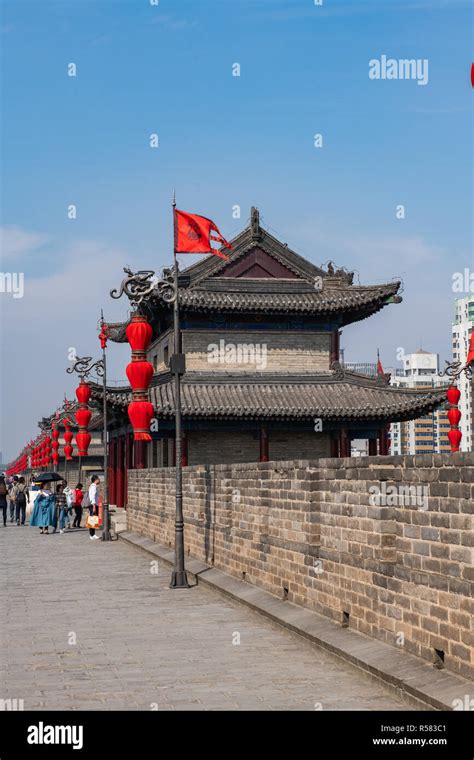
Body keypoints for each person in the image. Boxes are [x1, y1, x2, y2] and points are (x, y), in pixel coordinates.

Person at [87, 475, 100, 540]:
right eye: (98, 479)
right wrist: (94, 506)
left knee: (94, 519)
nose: (99, 480)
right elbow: (92, 497)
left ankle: (93, 534)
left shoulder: (94, 486)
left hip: (94, 504)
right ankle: (92, 535)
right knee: (92, 519)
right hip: (93, 505)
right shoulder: (93, 487)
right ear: (96, 480)